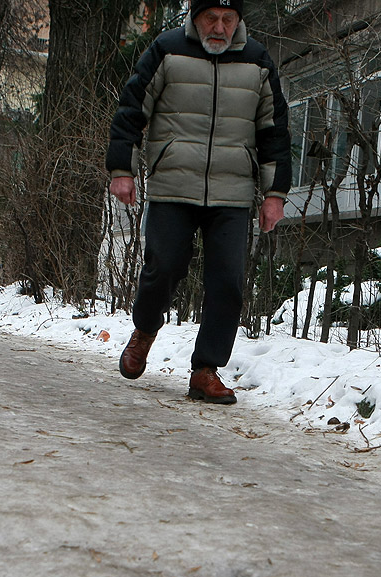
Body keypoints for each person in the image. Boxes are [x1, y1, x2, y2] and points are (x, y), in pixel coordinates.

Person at [106, 0, 291, 405]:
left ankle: (205, 370)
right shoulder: (167, 50)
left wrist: (274, 195)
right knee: (165, 266)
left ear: (239, 21)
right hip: (174, 183)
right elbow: (131, 110)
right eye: (211, 17)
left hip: (232, 192)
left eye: (229, 19)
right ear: (195, 17)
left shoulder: (257, 61)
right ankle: (145, 330)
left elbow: (274, 131)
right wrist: (123, 168)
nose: (220, 28)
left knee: (227, 280)